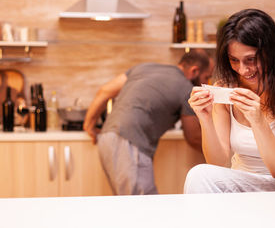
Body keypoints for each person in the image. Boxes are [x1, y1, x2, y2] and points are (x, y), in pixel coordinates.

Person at [184, 8, 275, 193]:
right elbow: (218, 163)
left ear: (271, 53)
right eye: (234, 60)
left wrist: (257, 120)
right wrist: (205, 118)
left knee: (199, 176)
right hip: (242, 186)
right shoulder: (225, 89)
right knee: (199, 174)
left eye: (251, 59)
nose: (243, 70)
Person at [84, 49, 213, 195]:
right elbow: (193, 137)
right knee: (145, 208)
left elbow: (105, 91)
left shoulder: (144, 68)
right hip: (130, 144)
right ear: (194, 71)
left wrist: (89, 125)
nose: (206, 84)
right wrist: (219, 151)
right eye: (206, 77)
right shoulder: (186, 88)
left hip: (108, 138)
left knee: (131, 205)